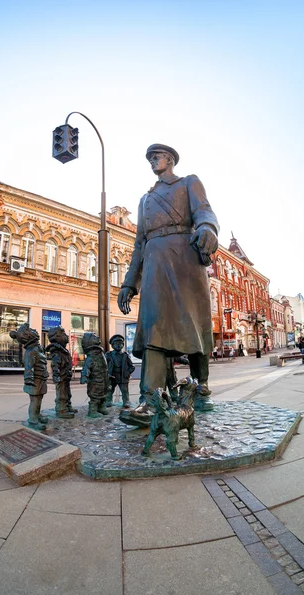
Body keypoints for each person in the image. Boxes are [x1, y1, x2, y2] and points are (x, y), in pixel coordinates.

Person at [118, 143, 219, 411]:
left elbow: (204, 211)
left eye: (157, 157)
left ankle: (201, 389)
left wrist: (208, 227)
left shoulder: (188, 183)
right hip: (154, 264)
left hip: (185, 259)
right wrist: (130, 282)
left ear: (170, 159)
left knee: (196, 324)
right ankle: (150, 399)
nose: (152, 161)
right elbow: (139, 243)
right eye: (150, 158)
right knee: (153, 325)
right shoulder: (145, 200)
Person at [9, 324, 49, 430]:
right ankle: (32, 420)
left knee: (39, 399)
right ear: (28, 336)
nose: (34, 329)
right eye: (31, 330)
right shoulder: (31, 352)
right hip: (34, 380)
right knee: (35, 400)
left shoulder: (37, 349)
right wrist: (29, 380)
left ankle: (37, 415)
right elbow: (28, 367)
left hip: (40, 378)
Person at [46, 326, 75, 419]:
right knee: (62, 394)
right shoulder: (57, 352)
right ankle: (61, 410)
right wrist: (57, 375)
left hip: (66, 375)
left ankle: (67, 406)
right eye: (63, 334)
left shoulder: (63, 350)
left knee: (68, 393)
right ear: (57, 338)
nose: (66, 336)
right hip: (61, 377)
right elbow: (55, 365)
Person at [105, 334, 135, 408]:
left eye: (120, 344)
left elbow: (132, 367)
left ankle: (126, 401)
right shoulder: (108, 355)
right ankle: (108, 401)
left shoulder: (125, 355)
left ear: (123, 345)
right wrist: (106, 374)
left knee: (124, 390)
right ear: (112, 345)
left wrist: (128, 373)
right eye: (116, 344)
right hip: (112, 375)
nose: (118, 345)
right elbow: (103, 365)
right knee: (110, 389)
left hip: (122, 375)